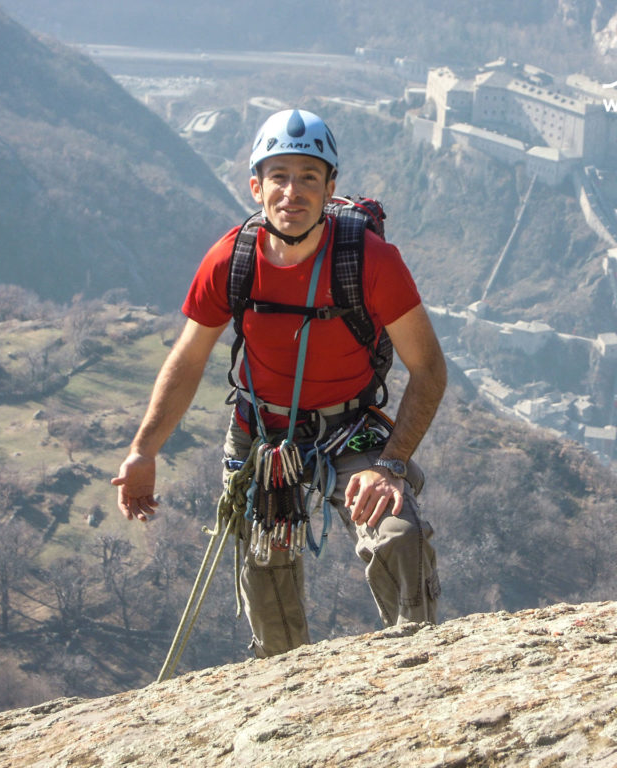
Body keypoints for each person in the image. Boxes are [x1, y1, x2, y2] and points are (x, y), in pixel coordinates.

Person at [112, 108, 446, 657]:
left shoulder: (370, 261)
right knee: (266, 580)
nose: (293, 192)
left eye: (309, 178)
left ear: (330, 187)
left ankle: (419, 662)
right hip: (263, 433)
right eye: (279, 177)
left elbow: (430, 369)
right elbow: (189, 358)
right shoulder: (232, 260)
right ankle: (285, 687)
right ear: (256, 186)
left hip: (351, 427)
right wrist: (143, 451)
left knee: (399, 536)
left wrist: (391, 466)